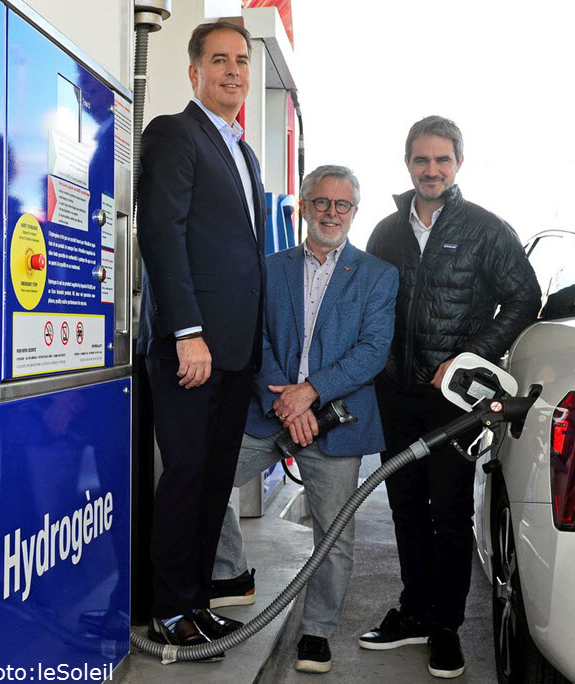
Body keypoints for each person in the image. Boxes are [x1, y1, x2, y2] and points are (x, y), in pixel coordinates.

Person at [361, 116, 541, 678]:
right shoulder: (386, 232)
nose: (431, 170)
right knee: (405, 508)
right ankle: (413, 612)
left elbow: (523, 298)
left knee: (451, 516)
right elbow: (370, 306)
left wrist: (467, 360)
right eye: (421, 160)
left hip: (452, 405)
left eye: (442, 160)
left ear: (458, 163)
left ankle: (446, 627)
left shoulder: (486, 230)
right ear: (407, 163)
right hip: (395, 394)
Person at [211, 165, 399, 673]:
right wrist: (286, 403)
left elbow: (373, 351)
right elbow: (257, 340)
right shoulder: (269, 268)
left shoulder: (379, 276)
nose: (331, 213)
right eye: (321, 202)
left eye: (342, 205)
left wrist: (311, 393)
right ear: (303, 207)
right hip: (272, 410)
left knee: (333, 535)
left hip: (338, 419)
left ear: (354, 212)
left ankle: (317, 633)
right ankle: (230, 574)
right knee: (206, 482)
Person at [135, 21, 267, 653]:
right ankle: (166, 610)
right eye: (220, 60)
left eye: (241, 61)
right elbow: (163, 232)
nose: (234, 71)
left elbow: (246, 256)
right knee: (186, 476)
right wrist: (187, 331)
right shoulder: (174, 133)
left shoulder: (244, 151)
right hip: (193, 350)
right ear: (194, 72)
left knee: (216, 483)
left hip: (234, 354)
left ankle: (196, 603)